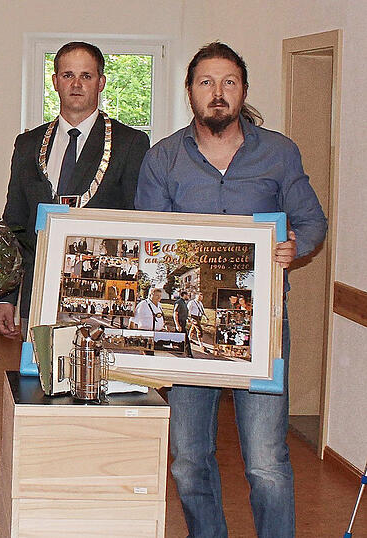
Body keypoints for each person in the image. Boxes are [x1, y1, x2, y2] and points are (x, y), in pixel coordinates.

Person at [136, 42, 327, 537]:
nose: (217, 92)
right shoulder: (162, 159)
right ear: (189, 91)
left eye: (229, 82)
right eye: (206, 82)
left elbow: (312, 220)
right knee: (188, 459)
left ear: (243, 90)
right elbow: (147, 242)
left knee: (266, 461)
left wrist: (294, 245)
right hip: (188, 331)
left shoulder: (279, 152)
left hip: (261, 326)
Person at [0, 41, 150, 338]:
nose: (76, 84)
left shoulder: (130, 143)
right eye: (68, 75)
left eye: (86, 76)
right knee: (37, 369)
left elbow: (136, 221)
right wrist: (6, 297)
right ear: (55, 82)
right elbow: (15, 224)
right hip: (38, 292)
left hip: (102, 296)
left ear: (101, 82)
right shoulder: (28, 145)